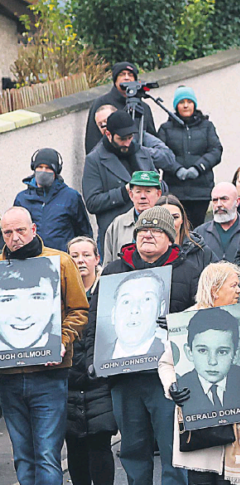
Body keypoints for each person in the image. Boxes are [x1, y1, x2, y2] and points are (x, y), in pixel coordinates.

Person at [85, 206, 205, 485]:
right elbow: (95, 321)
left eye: (155, 231)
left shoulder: (188, 270)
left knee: (173, 453)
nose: (147, 236)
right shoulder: (114, 271)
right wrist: (93, 359)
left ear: (170, 237)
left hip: (167, 380)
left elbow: (201, 317)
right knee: (132, 452)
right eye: (142, 230)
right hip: (123, 380)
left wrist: (178, 324)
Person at [0, 207, 89, 485]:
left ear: (34, 229)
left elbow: (79, 310)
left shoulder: (60, 262)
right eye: (7, 232)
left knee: (48, 455)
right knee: (23, 456)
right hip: (9, 377)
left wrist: (61, 341)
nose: (14, 237)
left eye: (20, 230)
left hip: (49, 374)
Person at [161, 262, 240, 485]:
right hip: (199, 426)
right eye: (234, 285)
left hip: (237, 424)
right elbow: (166, 364)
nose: (239, 290)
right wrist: (173, 387)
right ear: (214, 289)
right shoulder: (184, 322)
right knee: (200, 479)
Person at [65, 237, 116, 485]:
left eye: (86, 255)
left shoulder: (109, 292)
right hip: (69, 382)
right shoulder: (59, 295)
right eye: (74, 255)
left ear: (97, 259)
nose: (80, 261)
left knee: (100, 445)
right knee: (74, 448)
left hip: (100, 383)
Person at [83, 110, 160, 250]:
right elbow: (92, 202)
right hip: (117, 235)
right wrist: (124, 192)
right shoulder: (94, 159)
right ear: (108, 134)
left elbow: (160, 186)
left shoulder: (141, 152)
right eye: (122, 139)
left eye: (130, 138)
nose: (127, 143)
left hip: (151, 229)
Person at [158, 85, 223, 228]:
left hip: (201, 191)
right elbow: (160, 154)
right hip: (175, 191)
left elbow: (216, 150)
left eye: (189, 101)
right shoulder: (165, 129)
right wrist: (176, 169)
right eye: (181, 102)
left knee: (197, 228)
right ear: (176, 106)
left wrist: (198, 168)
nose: (186, 105)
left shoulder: (207, 126)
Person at [14, 148, 92, 252]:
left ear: (56, 171)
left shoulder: (71, 197)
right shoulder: (22, 199)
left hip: (63, 259)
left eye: (48, 168)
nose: (43, 171)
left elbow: (84, 232)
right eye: (40, 167)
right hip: (32, 259)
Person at [85, 62, 156, 153]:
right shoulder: (101, 103)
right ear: (115, 80)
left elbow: (152, 137)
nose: (126, 77)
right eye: (122, 74)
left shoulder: (143, 107)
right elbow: (92, 138)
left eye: (130, 75)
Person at [193, 182, 240, 263]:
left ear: (237, 201)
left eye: (224, 199)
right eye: (215, 200)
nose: (219, 204)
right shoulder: (199, 233)